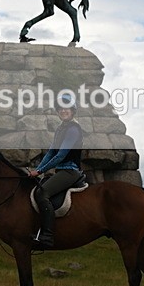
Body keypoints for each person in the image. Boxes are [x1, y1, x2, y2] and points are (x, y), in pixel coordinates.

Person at [28, 94, 84, 249]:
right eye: (60, 108)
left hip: (70, 171)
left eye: (66, 108)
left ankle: (47, 236)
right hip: (60, 171)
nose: (63, 111)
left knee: (42, 193)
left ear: (72, 110)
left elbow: (60, 155)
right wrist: (38, 169)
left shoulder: (73, 129)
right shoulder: (61, 129)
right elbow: (51, 152)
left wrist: (39, 172)